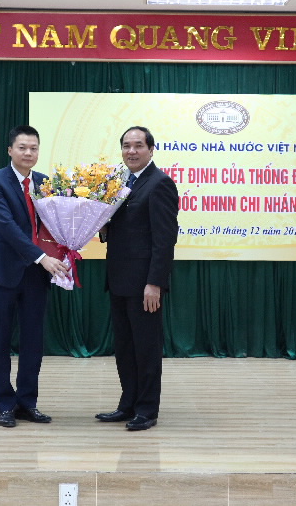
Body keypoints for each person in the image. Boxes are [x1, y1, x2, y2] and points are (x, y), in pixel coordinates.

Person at [0, 125, 70, 428]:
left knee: (33, 342)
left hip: (36, 275)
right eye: (22, 147)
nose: (28, 153)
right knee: (0, 341)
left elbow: (55, 224)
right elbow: (6, 226)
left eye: (33, 148)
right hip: (3, 273)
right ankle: (4, 405)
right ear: (10, 150)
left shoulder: (46, 183)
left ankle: (27, 403)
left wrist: (66, 247)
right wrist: (42, 257)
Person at [96, 126, 179, 431]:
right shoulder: (119, 183)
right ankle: (127, 404)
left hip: (145, 284)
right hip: (119, 280)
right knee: (125, 348)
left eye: (138, 146)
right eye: (126, 146)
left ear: (151, 150)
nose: (131, 151)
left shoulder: (160, 184)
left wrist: (155, 283)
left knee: (145, 349)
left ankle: (146, 410)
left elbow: (164, 240)